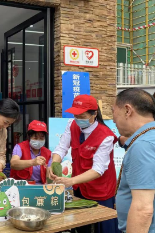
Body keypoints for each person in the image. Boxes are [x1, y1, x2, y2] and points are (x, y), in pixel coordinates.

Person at [48, 94, 119, 233]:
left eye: (82, 116)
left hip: (100, 190)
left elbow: (98, 169)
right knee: (81, 226)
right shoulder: (72, 125)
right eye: (75, 115)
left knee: (103, 227)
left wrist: (70, 181)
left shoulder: (106, 136)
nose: (78, 119)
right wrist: (53, 164)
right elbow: (61, 148)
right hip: (80, 188)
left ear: (94, 114)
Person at [113, 88, 155, 233]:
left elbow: (143, 209)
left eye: (114, 111)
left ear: (128, 110)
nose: (113, 119)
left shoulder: (142, 146)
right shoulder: (154, 138)